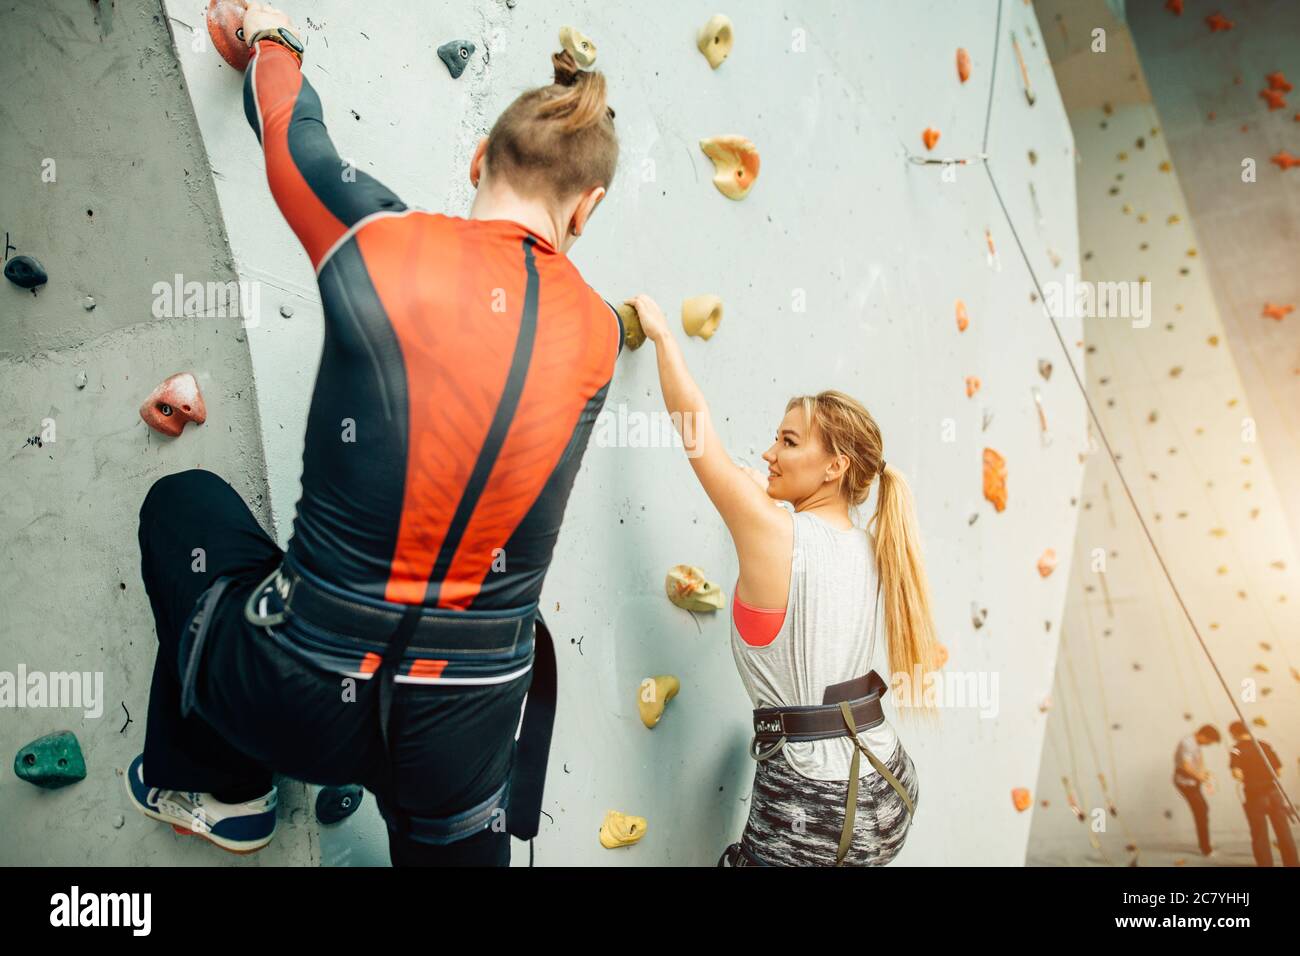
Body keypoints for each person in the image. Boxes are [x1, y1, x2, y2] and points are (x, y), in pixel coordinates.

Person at [126, 1, 623, 865]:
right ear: (588, 210)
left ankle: (225, 792)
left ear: (477, 159)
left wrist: (271, 37)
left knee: (183, 505)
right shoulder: (604, 336)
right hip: (464, 730)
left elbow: (288, 126)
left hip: (293, 679)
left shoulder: (377, 238)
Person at [626, 295, 940, 866]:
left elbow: (697, 433)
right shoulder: (872, 545)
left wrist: (664, 338)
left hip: (810, 802)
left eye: (789, 442)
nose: (770, 452)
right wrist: (759, 497)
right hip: (888, 782)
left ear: (835, 466)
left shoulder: (773, 532)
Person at [1227, 721, 1298, 867]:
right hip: (1274, 793)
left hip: (1255, 796)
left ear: (1234, 733)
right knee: (1284, 832)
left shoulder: (1236, 749)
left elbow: (1237, 774)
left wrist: (1244, 775)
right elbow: (1279, 771)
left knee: (1260, 835)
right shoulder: (1264, 745)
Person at [1172, 724, 1219, 857]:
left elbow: (1199, 758)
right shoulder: (1187, 744)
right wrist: (1201, 778)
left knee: (1203, 810)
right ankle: (1206, 848)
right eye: (1209, 741)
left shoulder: (1195, 742)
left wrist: (1203, 772)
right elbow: (1186, 767)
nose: (1209, 744)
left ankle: (1205, 842)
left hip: (1193, 781)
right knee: (1201, 811)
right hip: (1185, 782)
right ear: (1202, 735)